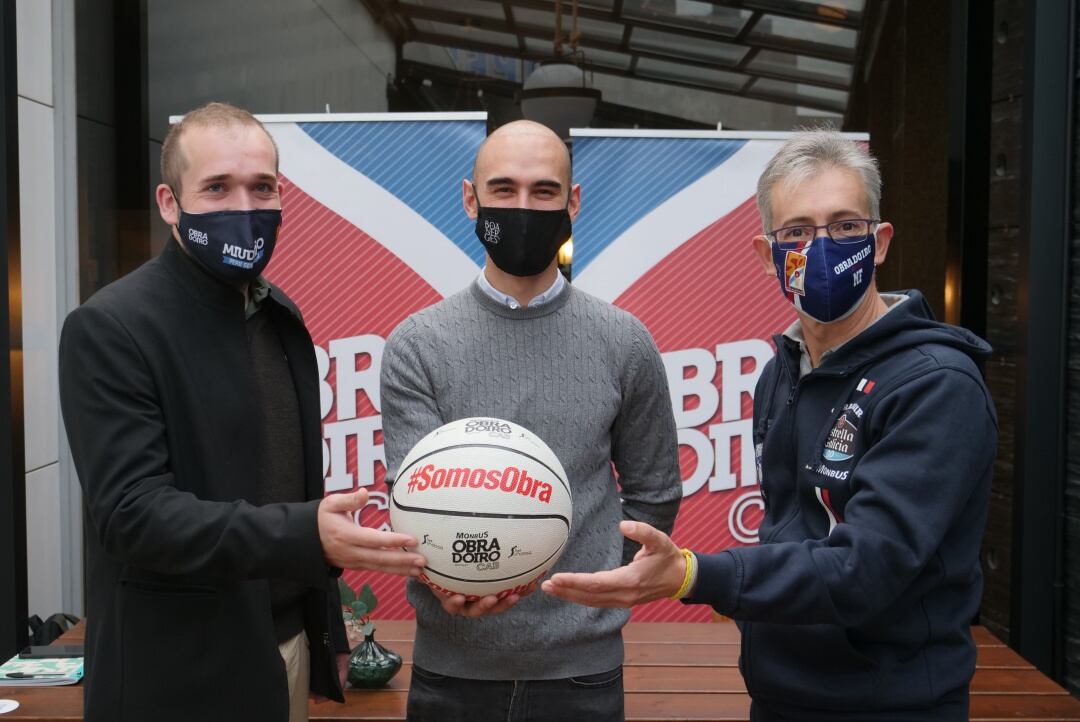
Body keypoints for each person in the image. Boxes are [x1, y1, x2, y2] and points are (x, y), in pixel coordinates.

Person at [543, 130, 997, 721]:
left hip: (893, 705)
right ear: (767, 255)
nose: (825, 245)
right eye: (799, 232)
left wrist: (693, 575)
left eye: (846, 226)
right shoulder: (782, 372)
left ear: (879, 242)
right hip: (781, 698)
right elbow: (794, 530)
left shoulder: (937, 385)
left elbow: (866, 569)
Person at [58, 102, 426, 722]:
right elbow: (133, 515)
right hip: (175, 677)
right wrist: (306, 533)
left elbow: (294, 483)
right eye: (217, 187)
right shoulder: (111, 327)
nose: (245, 208)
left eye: (263, 188)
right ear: (170, 203)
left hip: (282, 653)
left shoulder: (279, 314)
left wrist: (324, 631)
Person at [380, 119, 682, 721]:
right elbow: (412, 502)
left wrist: (593, 597)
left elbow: (654, 493)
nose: (524, 207)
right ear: (471, 199)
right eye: (504, 189)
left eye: (544, 192)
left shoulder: (624, 341)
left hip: (582, 677)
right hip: (452, 673)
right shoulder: (417, 344)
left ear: (572, 203)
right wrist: (448, 578)